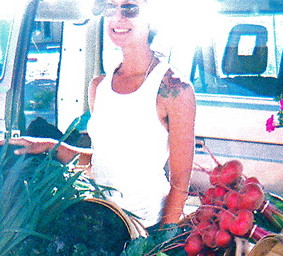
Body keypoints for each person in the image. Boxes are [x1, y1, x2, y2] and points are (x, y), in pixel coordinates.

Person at [13, 0, 196, 229]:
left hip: (146, 227)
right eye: (110, 7)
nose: (118, 17)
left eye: (129, 8)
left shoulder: (174, 90)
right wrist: (49, 146)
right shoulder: (99, 86)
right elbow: (100, 164)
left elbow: (180, 181)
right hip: (101, 220)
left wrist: (160, 241)